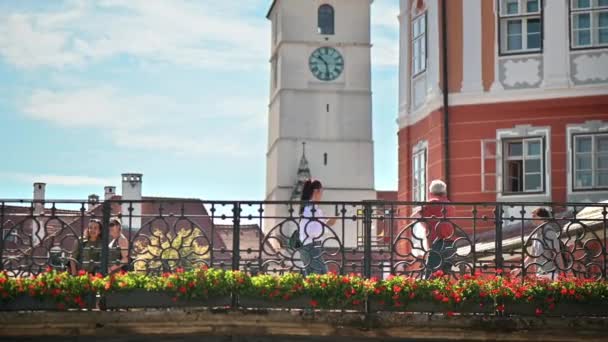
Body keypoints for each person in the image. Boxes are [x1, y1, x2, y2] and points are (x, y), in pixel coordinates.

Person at [415, 180, 456, 279]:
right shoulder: (449, 204)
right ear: (445, 192)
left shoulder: (431, 203)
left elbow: (415, 215)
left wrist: (426, 226)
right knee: (444, 277)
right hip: (451, 243)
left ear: (431, 192)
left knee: (429, 278)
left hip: (437, 243)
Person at [511, 208, 565, 280]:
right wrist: (519, 269)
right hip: (540, 273)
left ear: (541, 217)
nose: (532, 219)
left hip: (551, 273)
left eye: (534, 216)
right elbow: (531, 255)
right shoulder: (536, 234)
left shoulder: (549, 232)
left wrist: (562, 274)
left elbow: (557, 253)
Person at [298, 179, 336, 275]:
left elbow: (314, 227)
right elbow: (311, 231)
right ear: (316, 191)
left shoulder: (311, 208)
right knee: (320, 278)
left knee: (316, 279)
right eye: (321, 191)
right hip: (311, 247)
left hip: (310, 247)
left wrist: (327, 223)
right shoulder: (310, 209)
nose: (322, 195)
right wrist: (326, 224)